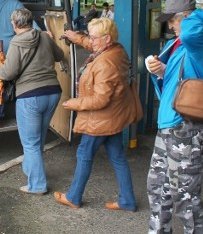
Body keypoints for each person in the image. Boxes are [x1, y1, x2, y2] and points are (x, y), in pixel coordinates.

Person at [145, 0, 203, 234]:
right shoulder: (178, 43)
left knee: (185, 194)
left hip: (186, 126)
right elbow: (178, 81)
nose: (170, 25)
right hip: (169, 121)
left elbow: (190, 33)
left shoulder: (202, 39)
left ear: (186, 18)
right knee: (158, 187)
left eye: (173, 20)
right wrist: (160, 71)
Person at [53, 18, 139, 211]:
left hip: (101, 119)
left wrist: (74, 103)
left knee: (84, 154)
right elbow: (93, 45)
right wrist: (76, 38)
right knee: (117, 157)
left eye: (93, 38)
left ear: (106, 38)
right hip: (113, 117)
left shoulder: (106, 64)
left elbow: (101, 100)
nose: (90, 41)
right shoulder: (115, 49)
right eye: (89, 37)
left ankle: (74, 197)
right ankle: (127, 200)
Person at [0, 8, 64, 195]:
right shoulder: (43, 36)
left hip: (30, 96)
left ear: (14, 24)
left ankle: (38, 185)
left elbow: (9, 72)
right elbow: (59, 56)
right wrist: (49, 39)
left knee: (31, 143)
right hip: (53, 92)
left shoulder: (16, 42)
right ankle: (32, 170)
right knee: (38, 138)